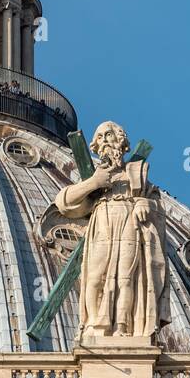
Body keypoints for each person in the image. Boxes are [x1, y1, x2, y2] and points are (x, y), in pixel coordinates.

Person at [54, 121, 167, 341]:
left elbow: (156, 202)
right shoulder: (93, 174)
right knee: (95, 276)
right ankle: (94, 326)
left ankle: (122, 327)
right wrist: (93, 183)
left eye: (109, 134)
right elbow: (64, 202)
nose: (105, 140)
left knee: (126, 277)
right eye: (100, 136)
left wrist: (145, 203)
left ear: (121, 141)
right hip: (103, 220)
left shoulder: (136, 172)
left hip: (129, 222)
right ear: (95, 145)